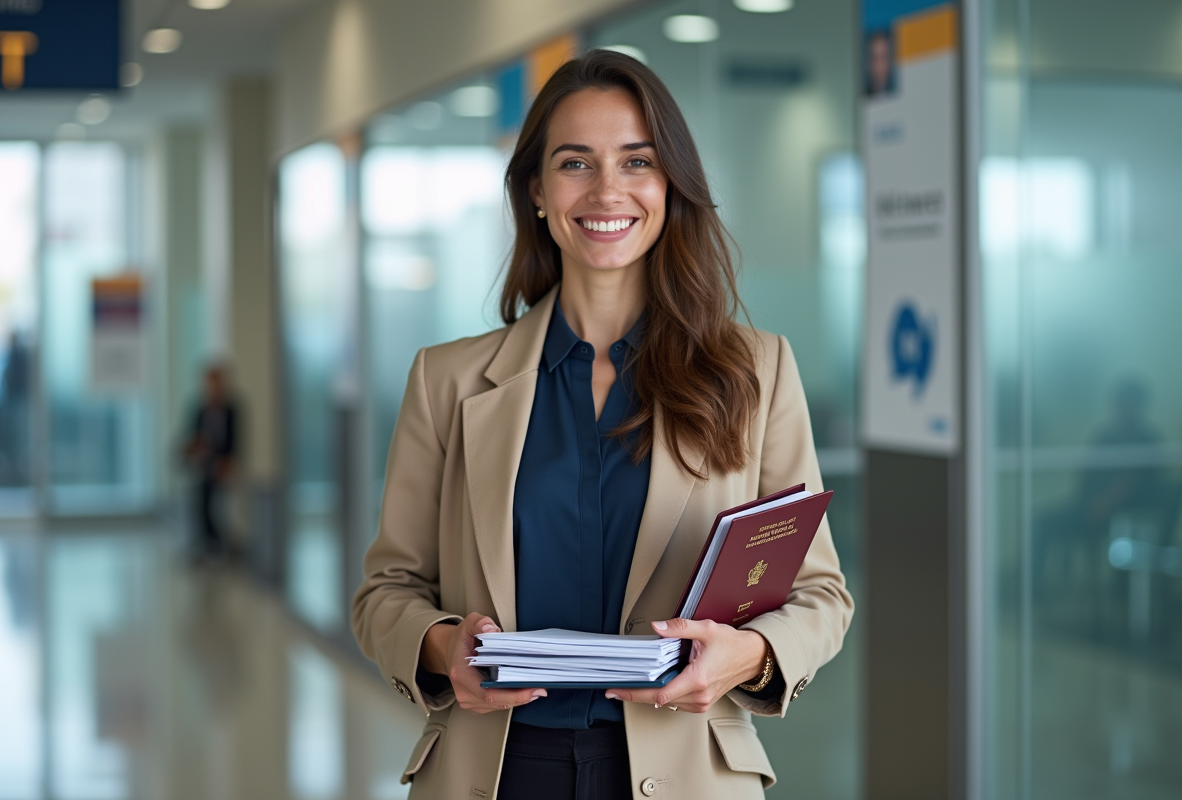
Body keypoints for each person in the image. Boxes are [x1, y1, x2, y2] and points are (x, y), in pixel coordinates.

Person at [352, 50, 853, 800]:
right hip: (495, 772)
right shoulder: (447, 381)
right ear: (538, 192)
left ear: (669, 184)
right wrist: (439, 647)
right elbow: (385, 591)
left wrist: (747, 653)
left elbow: (820, 595)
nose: (607, 190)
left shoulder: (755, 371)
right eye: (575, 163)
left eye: (637, 161)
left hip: (687, 771)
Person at [182, 365, 239, 559]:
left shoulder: (232, 410)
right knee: (199, 497)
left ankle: (217, 543)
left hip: (223, 465)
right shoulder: (200, 410)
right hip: (205, 464)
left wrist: (228, 463)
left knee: (214, 499)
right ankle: (205, 541)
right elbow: (193, 437)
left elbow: (236, 442)